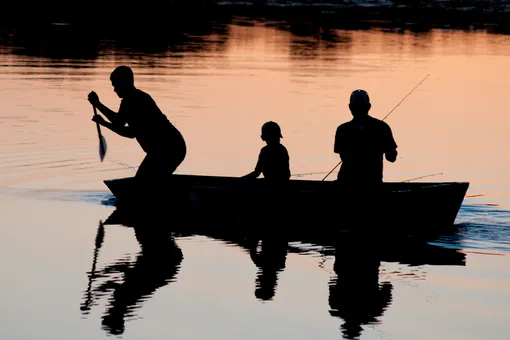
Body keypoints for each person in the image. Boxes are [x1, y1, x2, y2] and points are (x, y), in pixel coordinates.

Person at [87, 65, 186, 179]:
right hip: (163, 149)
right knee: (147, 181)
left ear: (124, 83)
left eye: (116, 85)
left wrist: (98, 106)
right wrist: (103, 121)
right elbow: (130, 132)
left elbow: (118, 122)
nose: (114, 90)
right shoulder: (131, 99)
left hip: (168, 148)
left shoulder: (135, 99)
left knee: (144, 182)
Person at [334, 89, 398, 233]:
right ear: (369, 107)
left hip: (347, 186)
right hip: (371, 186)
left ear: (350, 107)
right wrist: (390, 150)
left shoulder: (342, 129)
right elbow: (391, 158)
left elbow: (343, 156)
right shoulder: (382, 127)